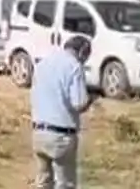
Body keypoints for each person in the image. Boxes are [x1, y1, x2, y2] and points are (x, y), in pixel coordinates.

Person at [29, 33, 93, 188]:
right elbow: (78, 103)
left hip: (39, 132)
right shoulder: (74, 67)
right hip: (61, 136)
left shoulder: (43, 64)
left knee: (43, 182)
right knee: (65, 183)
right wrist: (90, 100)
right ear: (82, 51)